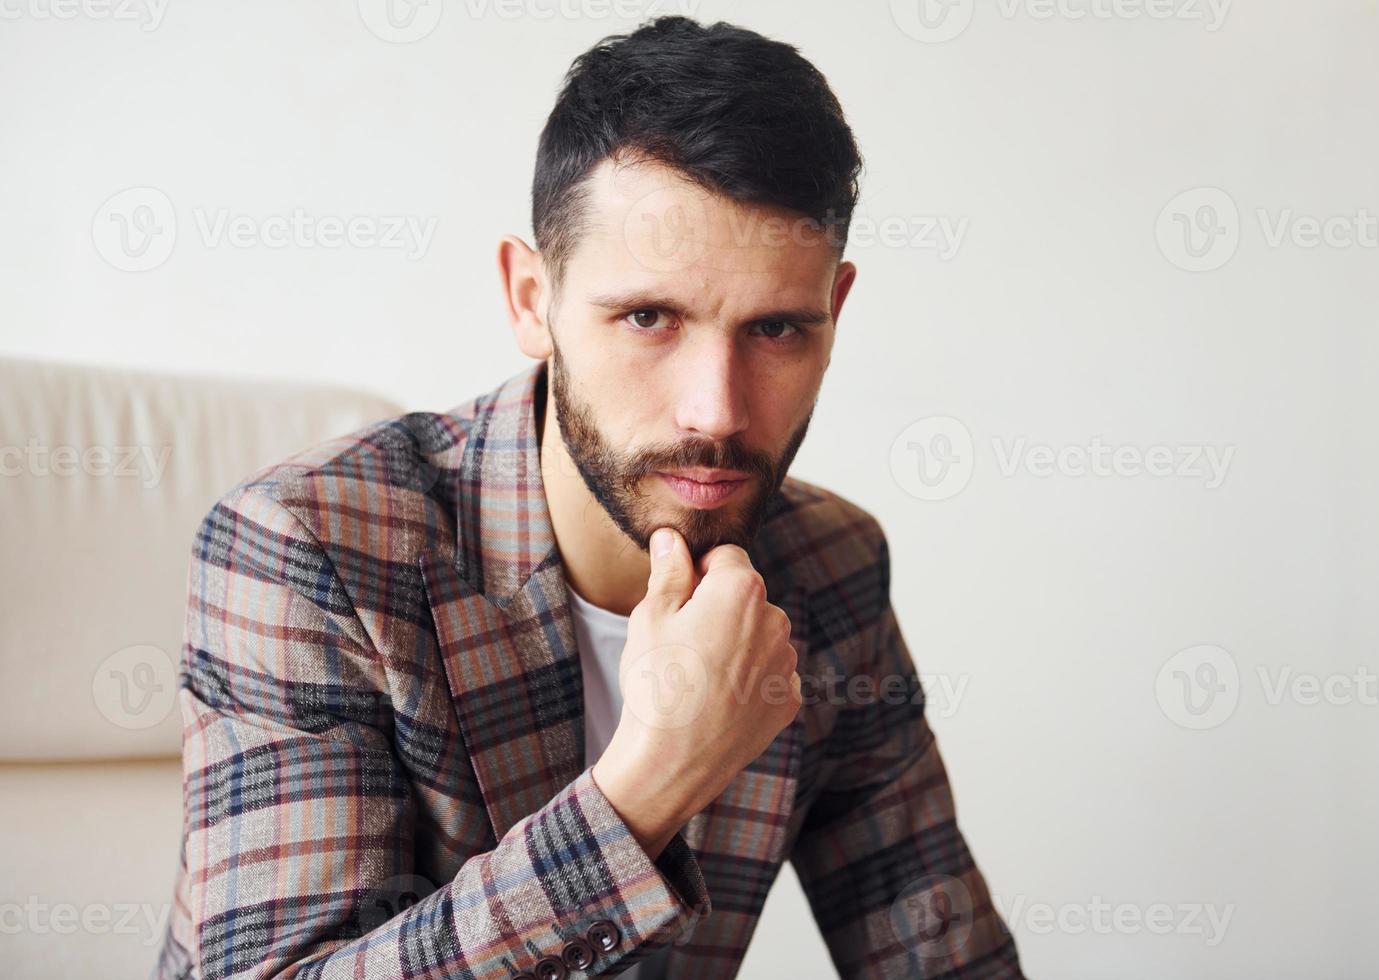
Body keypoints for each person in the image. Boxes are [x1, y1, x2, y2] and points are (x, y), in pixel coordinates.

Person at [150, 15, 1022, 979]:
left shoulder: (831, 565)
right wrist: (646, 789)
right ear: (533, 298)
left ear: (836, 312)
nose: (716, 411)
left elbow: (945, 956)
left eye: (776, 329)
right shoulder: (308, 547)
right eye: (649, 317)